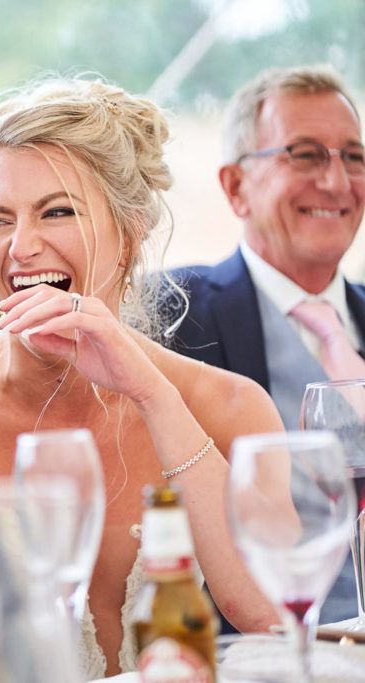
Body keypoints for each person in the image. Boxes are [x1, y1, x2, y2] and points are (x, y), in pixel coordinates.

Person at [0, 76, 282, 679]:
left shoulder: (229, 406)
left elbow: (272, 614)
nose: (21, 247)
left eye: (56, 212)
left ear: (130, 234)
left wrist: (150, 393)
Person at [169, 64, 365, 624]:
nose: (336, 182)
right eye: (305, 154)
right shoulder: (172, 315)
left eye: (353, 156)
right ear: (236, 187)